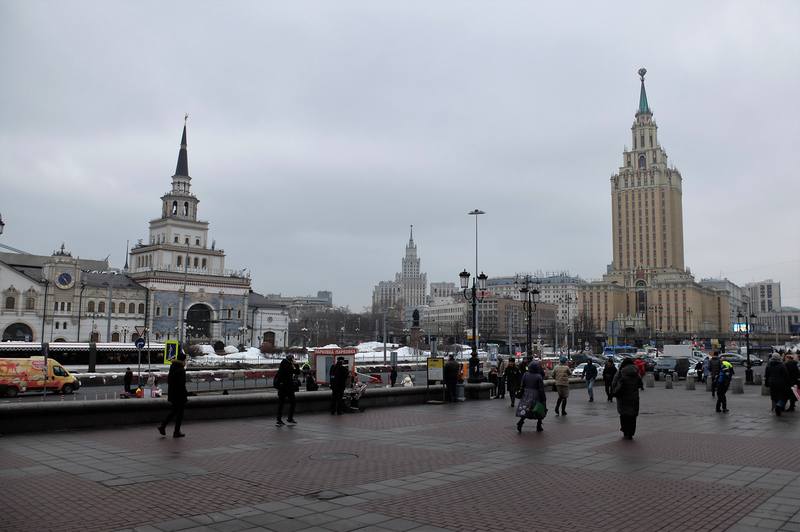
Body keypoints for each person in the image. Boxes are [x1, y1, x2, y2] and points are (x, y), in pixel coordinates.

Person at [611, 357, 643, 440]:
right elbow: (640, 384)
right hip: (634, 397)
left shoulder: (621, 372)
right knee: (633, 416)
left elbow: (614, 383)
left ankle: (625, 431)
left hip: (623, 398)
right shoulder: (636, 372)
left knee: (624, 414)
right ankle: (631, 433)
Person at [158, 352, 188, 438]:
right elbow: (182, 384)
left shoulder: (173, 367)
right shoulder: (181, 370)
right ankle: (176, 432)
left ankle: (163, 426)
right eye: (185, 360)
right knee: (180, 414)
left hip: (172, 394)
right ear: (183, 360)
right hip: (180, 395)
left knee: (174, 411)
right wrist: (185, 394)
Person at [516, 361, 547, 433]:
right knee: (539, 409)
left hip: (526, 394)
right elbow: (541, 389)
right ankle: (539, 425)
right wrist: (543, 399)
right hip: (536, 395)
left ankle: (521, 421)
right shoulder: (538, 376)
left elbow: (522, 385)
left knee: (526, 409)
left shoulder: (525, 374)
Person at [275, 353, 300, 426]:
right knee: (291, 402)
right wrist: (295, 365)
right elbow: (296, 372)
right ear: (290, 359)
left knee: (282, 404)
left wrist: (295, 365)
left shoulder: (285, 364)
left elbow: (296, 372)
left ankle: (281, 419)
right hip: (286, 388)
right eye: (293, 359)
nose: (293, 360)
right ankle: (287, 418)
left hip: (285, 388)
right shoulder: (287, 365)